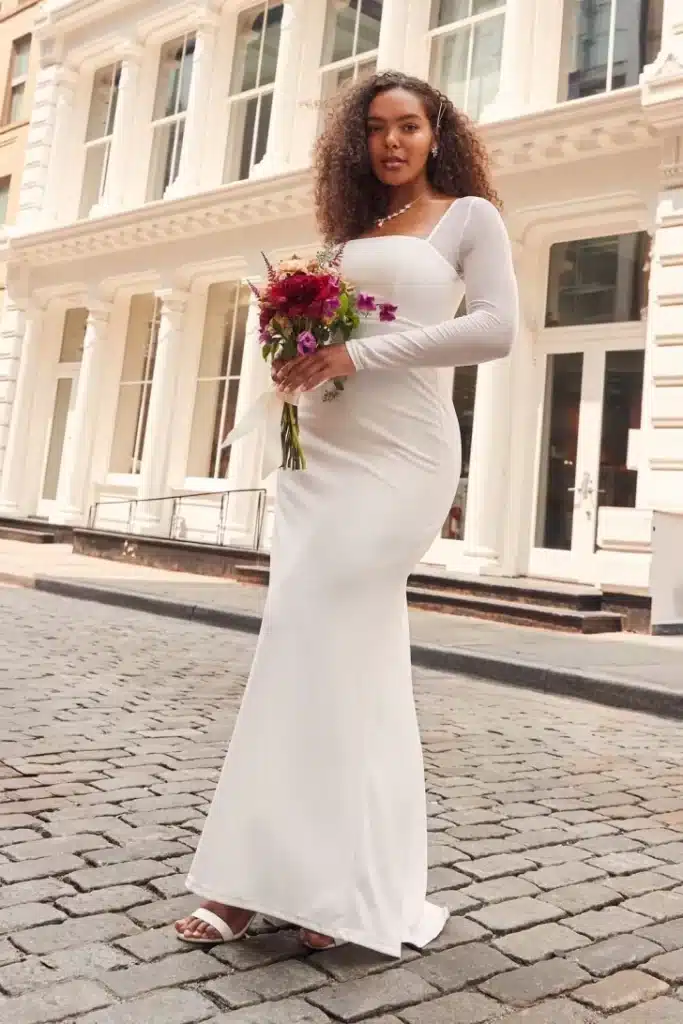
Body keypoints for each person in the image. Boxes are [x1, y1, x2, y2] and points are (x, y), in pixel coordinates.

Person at [175, 70, 518, 956]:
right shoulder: (350, 234)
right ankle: (320, 883)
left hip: (401, 457)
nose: (392, 142)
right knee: (326, 656)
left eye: (408, 126)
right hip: (321, 456)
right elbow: (326, 343)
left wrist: (353, 361)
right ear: (357, 142)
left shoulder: (468, 218)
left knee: (315, 640)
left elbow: (494, 329)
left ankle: (268, 886)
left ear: (437, 134)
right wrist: (296, 359)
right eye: (375, 129)